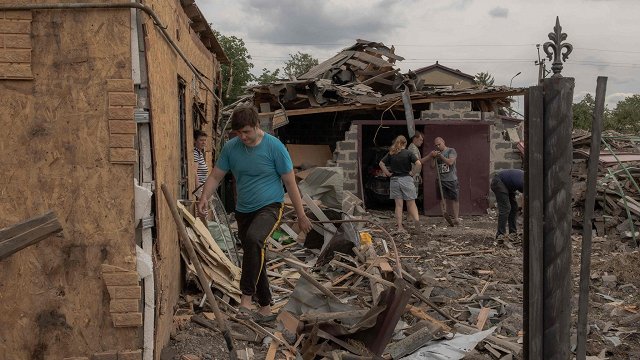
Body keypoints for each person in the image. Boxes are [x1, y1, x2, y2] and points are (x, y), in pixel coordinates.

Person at [197, 105, 312, 322]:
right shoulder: (231, 148)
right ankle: (266, 307)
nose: (242, 137)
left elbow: (290, 183)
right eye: (238, 133)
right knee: (254, 252)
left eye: (246, 132)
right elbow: (215, 177)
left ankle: (246, 300)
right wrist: (204, 197)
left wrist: (301, 215)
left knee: (253, 240)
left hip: (270, 206)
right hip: (244, 210)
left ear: (257, 126)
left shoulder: (274, 147)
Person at [379, 135, 422, 233]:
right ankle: (417, 222)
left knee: (398, 205)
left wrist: (388, 173)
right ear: (405, 143)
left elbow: (381, 163)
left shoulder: (391, 153)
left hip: (394, 180)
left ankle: (400, 227)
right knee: (411, 203)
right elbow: (418, 163)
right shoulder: (408, 153)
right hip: (406, 179)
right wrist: (413, 173)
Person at [421, 137, 459, 226]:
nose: (438, 146)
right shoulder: (436, 153)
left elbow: (450, 162)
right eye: (436, 145)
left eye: (439, 144)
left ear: (443, 142)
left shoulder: (451, 151)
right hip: (440, 180)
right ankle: (444, 217)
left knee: (455, 199)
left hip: (451, 179)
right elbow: (432, 166)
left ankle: (456, 218)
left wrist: (441, 156)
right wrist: (433, 157)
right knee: (442, 199)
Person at [490, 169, 524, 240]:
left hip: (508, 185)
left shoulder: (528, 180)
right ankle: (500, 235)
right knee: (505, 208)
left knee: (514, 208)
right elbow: (524, 199)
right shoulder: (526, 183)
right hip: (498, 181)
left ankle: (513, 233)